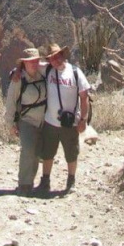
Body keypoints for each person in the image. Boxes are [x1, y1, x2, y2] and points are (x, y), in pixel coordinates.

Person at [37, 42, 90, 195]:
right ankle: (45, 181)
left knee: (71, 152)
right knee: (48, 153)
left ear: (63, 55)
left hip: (70, 122)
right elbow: (31, 66)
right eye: (52, 58)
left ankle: (71, 181)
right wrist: (16, 72)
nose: (56, 60)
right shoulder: (47, 70)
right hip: (50, 121)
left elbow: (84, 96)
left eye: (58, 56)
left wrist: (83, 119)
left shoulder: (75, 72)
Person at [4, 47, 47, 195]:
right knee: (28, 150)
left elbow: (56, 65)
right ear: (24, 64)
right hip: (27, 120)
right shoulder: (18, 80)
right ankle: (24, 184)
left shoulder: (42, 72)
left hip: (43, 121)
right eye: (29, 62)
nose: (33, 64)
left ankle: (31, 182)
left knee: (36, 153)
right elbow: (10, 102)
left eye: (35, 61)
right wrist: (10, 123)